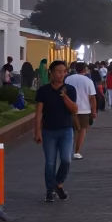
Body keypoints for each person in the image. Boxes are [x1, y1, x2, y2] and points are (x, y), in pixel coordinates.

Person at [33, 59, 78, 202]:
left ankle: (58, 183)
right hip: (49, 132)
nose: (61, 74)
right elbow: (39, 113)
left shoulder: (70, 89)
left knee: (66, 160)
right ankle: (50, 190)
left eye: (64, 71)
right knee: (50, 163)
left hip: (66, 130)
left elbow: (74, 110)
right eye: (58, 71)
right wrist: (37, 132)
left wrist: (65, 97)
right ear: (51, 72)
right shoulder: (43, 91)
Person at [65, 62, 98, 160]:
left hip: (69, 108)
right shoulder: (88, 81)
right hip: (84, 110)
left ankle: (68, 150)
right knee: (82, 131)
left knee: (71, 130)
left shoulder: (68, 79)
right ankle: (77, 152)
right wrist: (94, 111)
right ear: (84, 69)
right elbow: (92, 98)